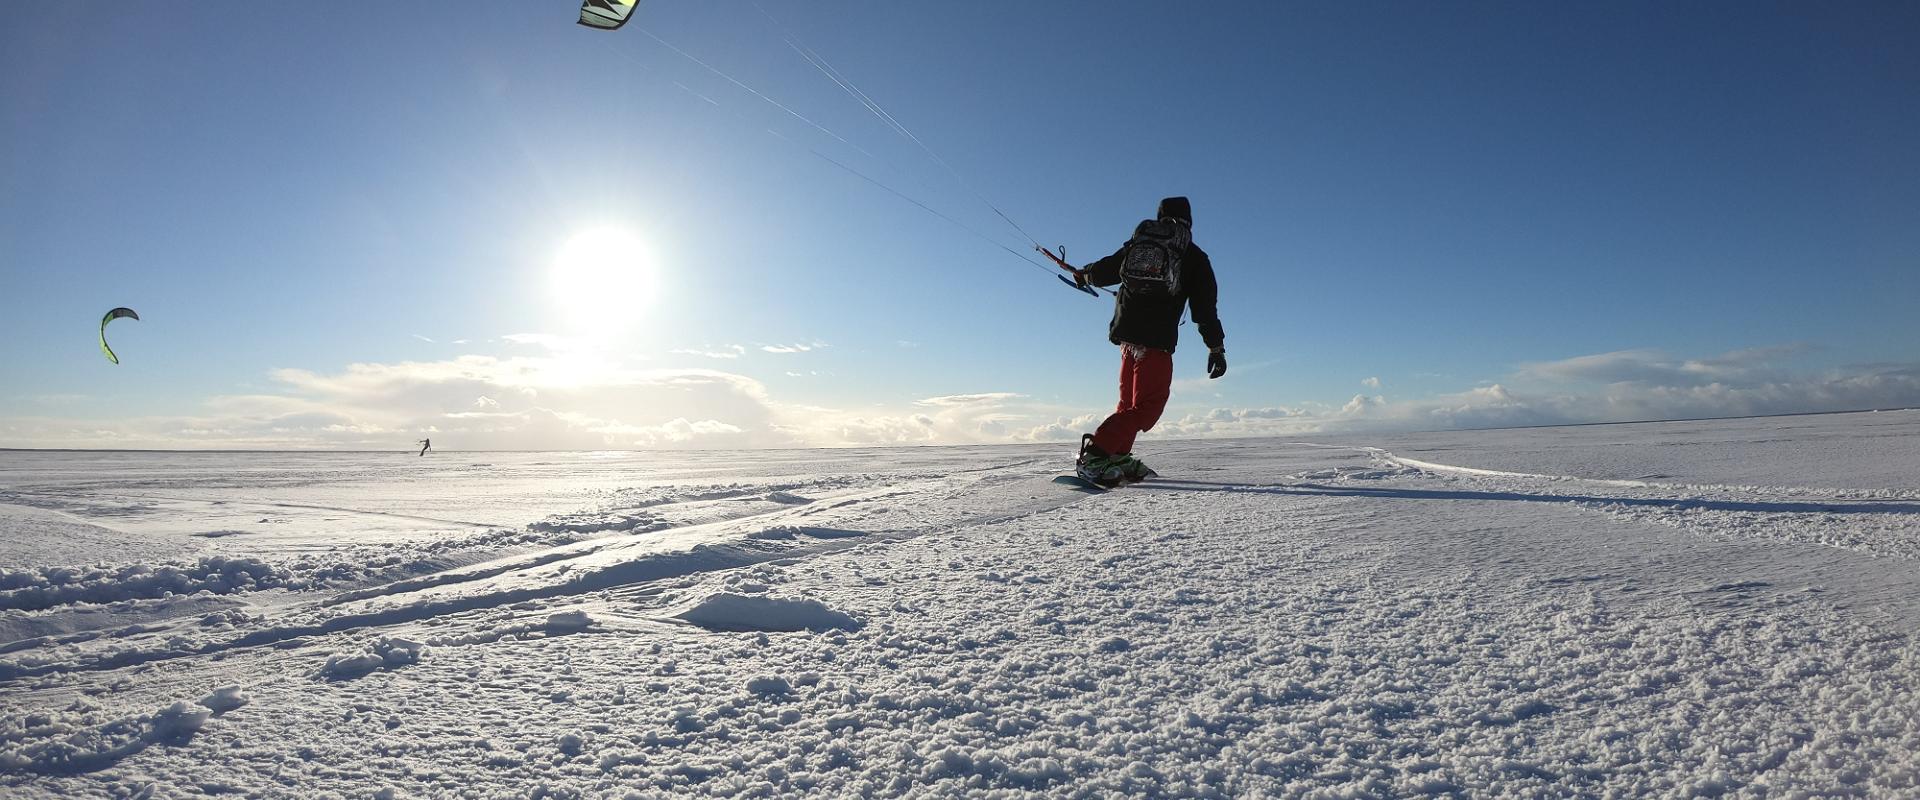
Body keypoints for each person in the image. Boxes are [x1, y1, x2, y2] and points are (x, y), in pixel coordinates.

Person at [1071, 196, 1225, 486]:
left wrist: (1085, 274)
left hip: (1126, 337)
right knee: (1148, 408)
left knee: (1128, 405)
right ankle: (1096, 454)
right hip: (1155, 342)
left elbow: (1106, 270)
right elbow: (1204, 310)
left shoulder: (1138, 244)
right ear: (1189, 222)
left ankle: (1116, 455)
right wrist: (1215, 347)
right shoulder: (1192, 256)